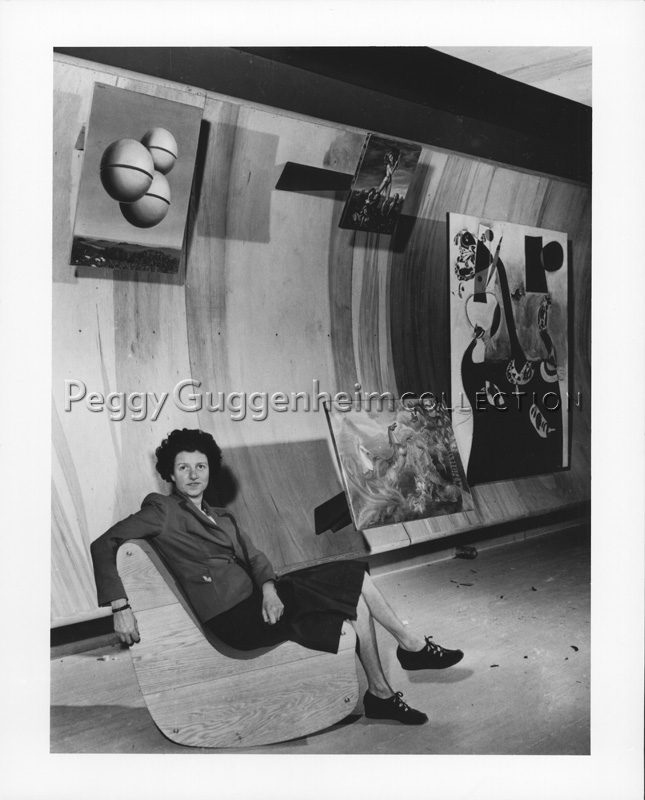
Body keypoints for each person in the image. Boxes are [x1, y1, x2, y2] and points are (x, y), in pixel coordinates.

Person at [91, 428, 464, 726]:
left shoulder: (221, 516)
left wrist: (269, 588)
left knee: (357, 598)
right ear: (170, 474)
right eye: (184, 467)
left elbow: (255, 559)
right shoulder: (162, 510)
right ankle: (410, 646)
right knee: (353, 578)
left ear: (209, 471)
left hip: (256, 603)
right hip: (232, 619)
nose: (193, 475)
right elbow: (103, 544)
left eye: (200, 466)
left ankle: (381, 693)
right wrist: (119, 606)